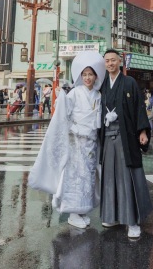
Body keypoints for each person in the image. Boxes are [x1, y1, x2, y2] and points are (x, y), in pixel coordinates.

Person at [29, 51, 105, 229]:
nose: (87, 78)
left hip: (91, 143)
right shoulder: (74, 93)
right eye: (84, 74)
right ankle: (72, 212)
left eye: (90, 74)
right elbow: (64, 113)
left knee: (88, 177)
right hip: (76, 141)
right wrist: (61, 98)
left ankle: (82, 210)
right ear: (80, 76)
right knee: (75, 178)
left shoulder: (98, 96)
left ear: (95, 76)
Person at [98, 49, 153, 239]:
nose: (110, 64)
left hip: (125, 136)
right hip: (107, 136)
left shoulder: (129, 82)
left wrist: (143, 131)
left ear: (120, 62)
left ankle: (132, 221)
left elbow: (139, 107)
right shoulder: (102, 84)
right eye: (107, 61)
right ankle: (112, 216)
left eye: (113, 60)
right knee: (109, 177)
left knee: (126, 177)